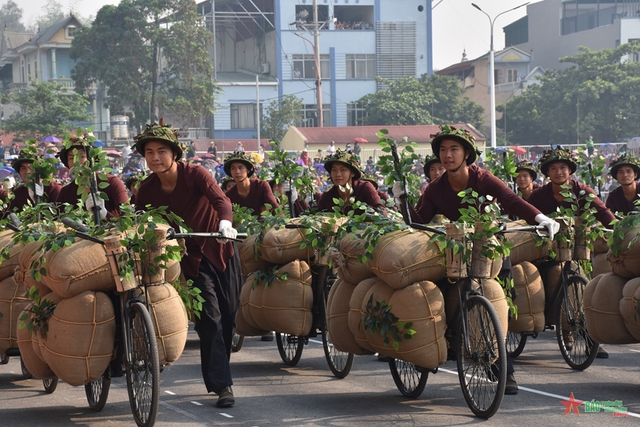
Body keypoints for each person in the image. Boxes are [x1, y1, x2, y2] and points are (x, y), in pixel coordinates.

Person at [394, 125, 560, 395]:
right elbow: (419, 222)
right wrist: (402, 199)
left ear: (467, 154)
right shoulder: (435, 189)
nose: (447, 155)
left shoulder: (483, 179)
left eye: (454, 150)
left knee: (498, 303)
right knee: (441, 297)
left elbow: (511, 200)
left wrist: (541, 218)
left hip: (491, 252)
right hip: (456, 251)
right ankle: (440, 343)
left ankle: (503, 369)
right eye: (443, 150)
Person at [133, 121, 241, 408]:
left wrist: (225, 224)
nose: (155, 158)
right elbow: (141, 221)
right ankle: (222, 385)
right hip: (188, 260)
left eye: (161, 151)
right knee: (211, 321)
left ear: (174, 154)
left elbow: (222, 201)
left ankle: (221, 370)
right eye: (149, 152)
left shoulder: (196, 174)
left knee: (229, 317)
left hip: (220, 250)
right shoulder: (146, 190)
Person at [528, 146, 613, 359]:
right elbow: (526, 219)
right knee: (554, 275)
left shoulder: (582, 191)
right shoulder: (538, 196)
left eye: (563, 167)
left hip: (577, 252)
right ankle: (564, 328)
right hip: (545, 254)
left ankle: (590, 335)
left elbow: (603, 213)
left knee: (584, 283)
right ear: (547, 173)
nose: (559, 172)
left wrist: (619, 229)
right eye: (553, 168)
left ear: (570, 170)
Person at [55, 135, 129, 220]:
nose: (76, 161)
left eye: (81, 156)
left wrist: (104, 214)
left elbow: (128, 218)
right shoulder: (66, 192)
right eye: (71, 158)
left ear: (92, 160)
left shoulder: (112, 183)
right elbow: (57, 220)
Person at [315, 150, 384, 214]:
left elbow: (381, 212)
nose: (338, 174)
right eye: (334, 170)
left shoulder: (364, 188)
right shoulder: (327, 197)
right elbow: (314, 215)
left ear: (352, 173)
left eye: (343, 170)